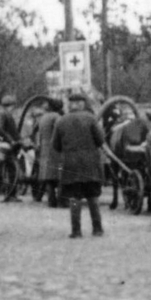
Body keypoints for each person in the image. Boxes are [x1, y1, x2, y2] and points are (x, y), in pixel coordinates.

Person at [52, 91, 107, 238]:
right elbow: (100, 141)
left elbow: (55, 145)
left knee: (74, 198)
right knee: (92, 196)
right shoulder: (91, 118)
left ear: (70, 105)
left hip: (71, 165)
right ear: (82, 104)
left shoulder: (61, 121)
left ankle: (76, 231)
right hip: (90, 164)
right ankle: (97, 229)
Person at [32, 97, 64, 206]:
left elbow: (35, 130)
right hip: (55, 148)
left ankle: (51, 200)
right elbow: (60, 131)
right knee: (58, 174)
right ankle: (60, 199)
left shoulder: (43, 117)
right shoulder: (57, 117)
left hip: (44, 148)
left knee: (48, 175)